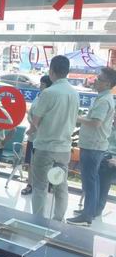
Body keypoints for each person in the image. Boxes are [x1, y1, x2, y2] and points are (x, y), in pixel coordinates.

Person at [30, 55, 79, 221]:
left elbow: (35, 121)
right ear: (67, 71)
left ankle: (38, 220)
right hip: (64, 149)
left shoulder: (48, 92)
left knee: (40, 186)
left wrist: (31, 130)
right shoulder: (74, 93)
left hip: (46, 147)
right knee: (60, 186)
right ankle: (58, 219)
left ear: (51, 71)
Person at [67, 67, 116, 226]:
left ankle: (87, 216)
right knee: (92, 180)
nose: (95, 81)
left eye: (99, 79)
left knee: (89, 181)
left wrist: (77, 118)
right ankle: (90, 211)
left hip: (93, 146)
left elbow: (96, 122)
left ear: (107, 83)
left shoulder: (104, 100)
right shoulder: (102, 98)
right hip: (93, 145)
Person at [21, 75, 53, 195]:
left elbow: (42, 118)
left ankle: (43, 186)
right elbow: (33, 113)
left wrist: (33, 128)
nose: (40, 86)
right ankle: (30, 184)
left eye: (43, 84)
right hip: (33, 136)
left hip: (41, 136)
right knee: (30, 162)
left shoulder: (49, 99)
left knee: (41, 163)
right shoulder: (39, 96)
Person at [95, 117, 116, 218]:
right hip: (102, 154)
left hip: (112, 158)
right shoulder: (109, 127)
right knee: (93, 182)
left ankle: (98, 209)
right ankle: (89, 207)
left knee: (103, 184)